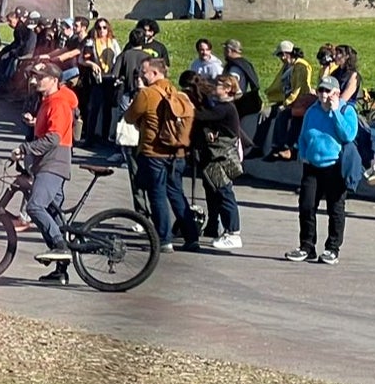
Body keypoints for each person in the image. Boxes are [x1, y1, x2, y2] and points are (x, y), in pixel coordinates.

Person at [123, 55, 198, 251]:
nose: (141, 74)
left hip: (153, 151)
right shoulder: (176, 92)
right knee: (176, 194)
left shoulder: (147, 94)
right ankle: (192, 237)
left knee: (157, 196)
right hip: (177, 153)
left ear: (155, 73)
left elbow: (129, 117)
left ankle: (163, 240)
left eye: (144, 71)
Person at [287, 77, 358, 264]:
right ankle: (306, 246)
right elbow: (304, 134)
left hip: (335, 165)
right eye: (321, 91)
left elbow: (348, 134)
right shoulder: (312, 111)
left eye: (327, 91)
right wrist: (303, 153)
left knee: (335, 208)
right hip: (311, 165)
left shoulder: (346, 110)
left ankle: (332, 248)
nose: (323, 95)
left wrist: (335, 112)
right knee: (306, 206)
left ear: (336, 93)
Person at [23, 62, 81, 283]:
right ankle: (60, 272)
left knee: (35, 206)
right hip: (49, 161)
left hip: (54, 161)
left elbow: (54, 137)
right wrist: (36, 122)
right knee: (53, 215)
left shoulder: (57, 102)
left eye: (41, 77)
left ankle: (59, 246)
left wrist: (25, 148)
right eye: (35, 76)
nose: (35, 80)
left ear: (54, 80)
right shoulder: (48, 101)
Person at [194, 74, 246, 252]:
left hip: (221, 156)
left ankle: (233, 232)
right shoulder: (222, 107)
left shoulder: (225, 108)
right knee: (218, 191)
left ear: (227, 89)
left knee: (224, 192)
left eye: (218, 85)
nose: (215, 87)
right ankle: (226, 230)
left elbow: (202, 116)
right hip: (217, 155)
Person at [255, 40, 315, 161]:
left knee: (282, 114)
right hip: (286, 100)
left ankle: (280, 147)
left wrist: (286, 104)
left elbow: (298, 89)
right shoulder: (287, 66)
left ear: (286, 54)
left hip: (298, 101)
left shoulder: (300, 66)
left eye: (280, 55)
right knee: (264, 113)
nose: (280, 58)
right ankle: (257, 146)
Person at [79, 20, 121, 150]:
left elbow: (118, 58)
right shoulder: (91, 42)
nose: (102, 30)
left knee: (107, 109)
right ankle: (90, 138)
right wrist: (92, 64)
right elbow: (82, 59)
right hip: (97, 79)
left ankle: (104, 137)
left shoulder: (113, 42)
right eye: (99, 27)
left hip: (110, 78)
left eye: (104, 27)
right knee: (94, 108)